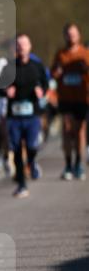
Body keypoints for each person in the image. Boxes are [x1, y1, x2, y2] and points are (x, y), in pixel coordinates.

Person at [4, 34, 48, 199]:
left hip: (32, 115)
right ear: (15, 48)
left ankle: (31, 162)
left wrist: (41, 91)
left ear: (30, 46)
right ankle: (22, 184)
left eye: (24, 44)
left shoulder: (37, 66)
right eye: (18, 44)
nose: (21, 47)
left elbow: (46, 83)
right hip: (14, 116)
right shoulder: (9, 67)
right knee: (15, 150)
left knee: (31, 147)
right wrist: (5, 91)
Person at [51, 23, 89, 181]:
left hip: (81, 98)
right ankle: (68, 164)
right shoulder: (60, 54)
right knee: (67, 130)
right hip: (65, 98)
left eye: (74, 33)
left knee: (80, 131)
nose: (71, 36)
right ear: (65, 36)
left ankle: (79, 164)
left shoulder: (85, 53)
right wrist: (57, 72)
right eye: (68, 34)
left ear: (79, 35)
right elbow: (52, 74)